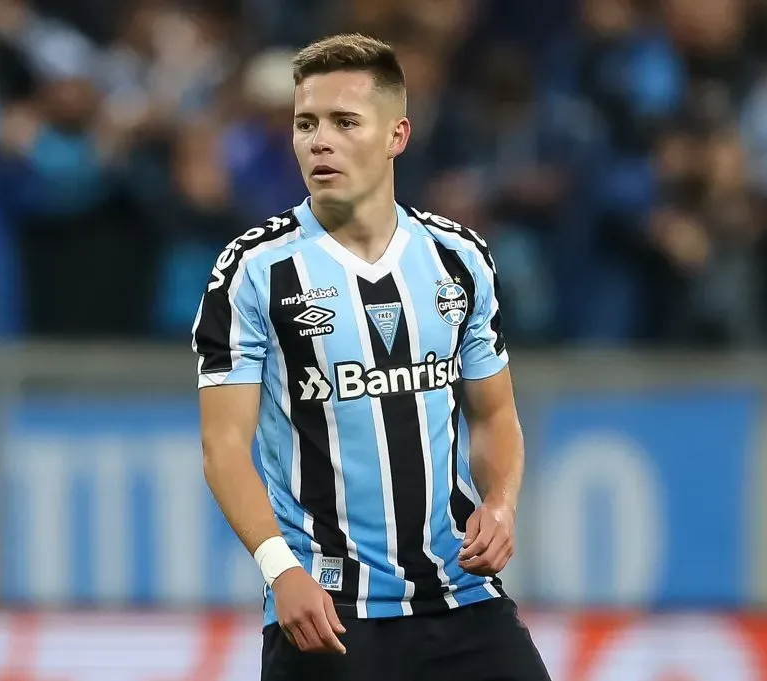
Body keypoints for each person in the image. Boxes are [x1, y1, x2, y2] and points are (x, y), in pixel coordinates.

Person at [191, 33, 550, 681]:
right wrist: (280, 570)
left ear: (396, 135)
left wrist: (500, 503)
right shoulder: (253, 271)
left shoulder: (458, 258)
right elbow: (223, 445)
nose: (319, 141)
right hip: (327, 609)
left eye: (344, 122)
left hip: (462, 595)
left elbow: (495, 413)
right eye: (306, 123)